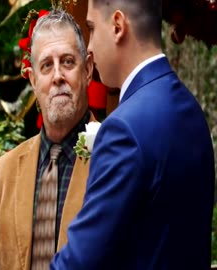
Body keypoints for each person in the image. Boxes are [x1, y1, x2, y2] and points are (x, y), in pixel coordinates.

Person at [51, 0, 215, 269]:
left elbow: (80, 262)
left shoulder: (123, 130)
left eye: (91, 28)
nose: (89, 47)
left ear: (117, 26)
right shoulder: (193, 113)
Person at [0, 9, 96, 270]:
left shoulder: (113, 153)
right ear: (32, 79)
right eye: (46, 66)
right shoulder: (4, 172)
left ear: (87, 69)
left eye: (67, 62)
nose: (57, 76)